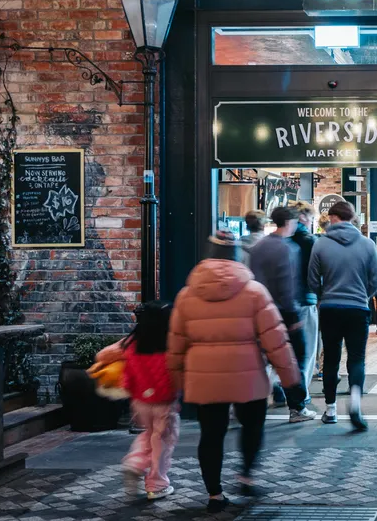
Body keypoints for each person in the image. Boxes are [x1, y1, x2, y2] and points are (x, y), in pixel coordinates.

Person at [168, 230, 303, 513]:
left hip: (204, 379)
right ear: (236, 257)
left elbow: (176, 344)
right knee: (253, 426)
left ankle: (214, 494)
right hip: (248, 376)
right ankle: (246, 475)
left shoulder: (186, 295)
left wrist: (175, 385)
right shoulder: (254, 292)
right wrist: (291, 379)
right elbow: (275, 339)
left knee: (211, 434)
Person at [307, 201, 377, 431]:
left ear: (334, 217)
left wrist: (324, 296)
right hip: (358, 309)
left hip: (330, 308)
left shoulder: (320, 245)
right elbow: (376, 281)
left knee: (330, 358)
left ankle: (330, 410)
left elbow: (311, 280)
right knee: (357, 358)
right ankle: (356, 404)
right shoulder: (368, 245)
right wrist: (362, 296)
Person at [250, 206, 316, 423]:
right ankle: (297, 408)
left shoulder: (259, 247)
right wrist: (294, 315)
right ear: (290, 222)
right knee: (294, 360)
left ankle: (252, 405)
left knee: (263, 360)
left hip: (261, 310)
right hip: (285, 312)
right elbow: (288, 285)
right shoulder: (288, 249)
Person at [117, 303, 178, 500]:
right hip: (164, 403)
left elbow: (126, 378)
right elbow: (175, 376)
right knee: (162, 442)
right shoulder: (169, 346)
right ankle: (156, 484)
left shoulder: (132, 345)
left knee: (148, 435)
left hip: (140, 401)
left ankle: (134, 463)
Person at [289, 200, 319, 391]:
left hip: (283, 302)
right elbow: (317, 273)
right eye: (311, 217)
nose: (312, 221)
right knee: (307, 350)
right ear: (303, 216)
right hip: (306, 300)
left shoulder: (283, 239)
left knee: (286, 349)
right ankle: (302, 394)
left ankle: (282, 385)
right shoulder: (310, 241)